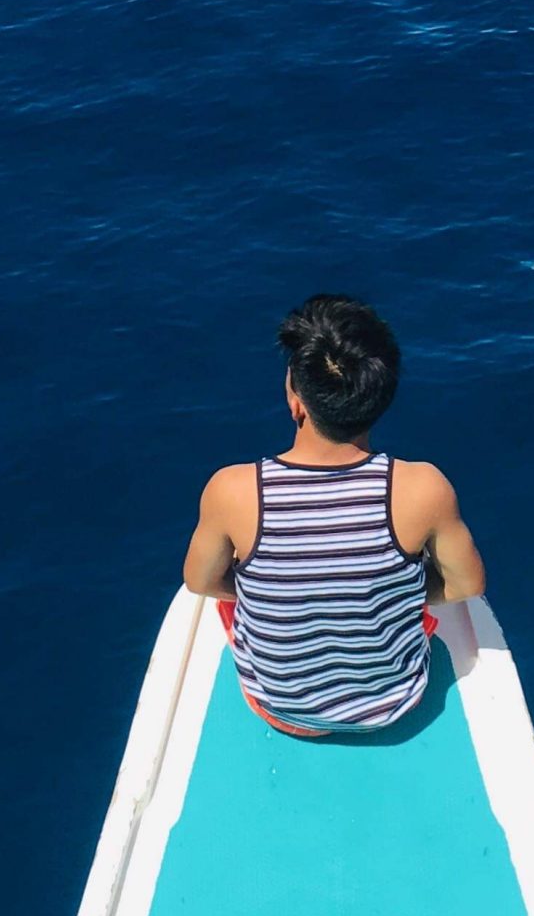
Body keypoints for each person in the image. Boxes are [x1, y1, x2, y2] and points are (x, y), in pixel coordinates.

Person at [183, 292, 485, 737]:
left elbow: (201, 582)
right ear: (381, 397)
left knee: (229, 599)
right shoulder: (424, 489)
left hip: (282, 710)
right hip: (396, 702)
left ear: (297, 403)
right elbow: (467, 584)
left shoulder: (232, 491)